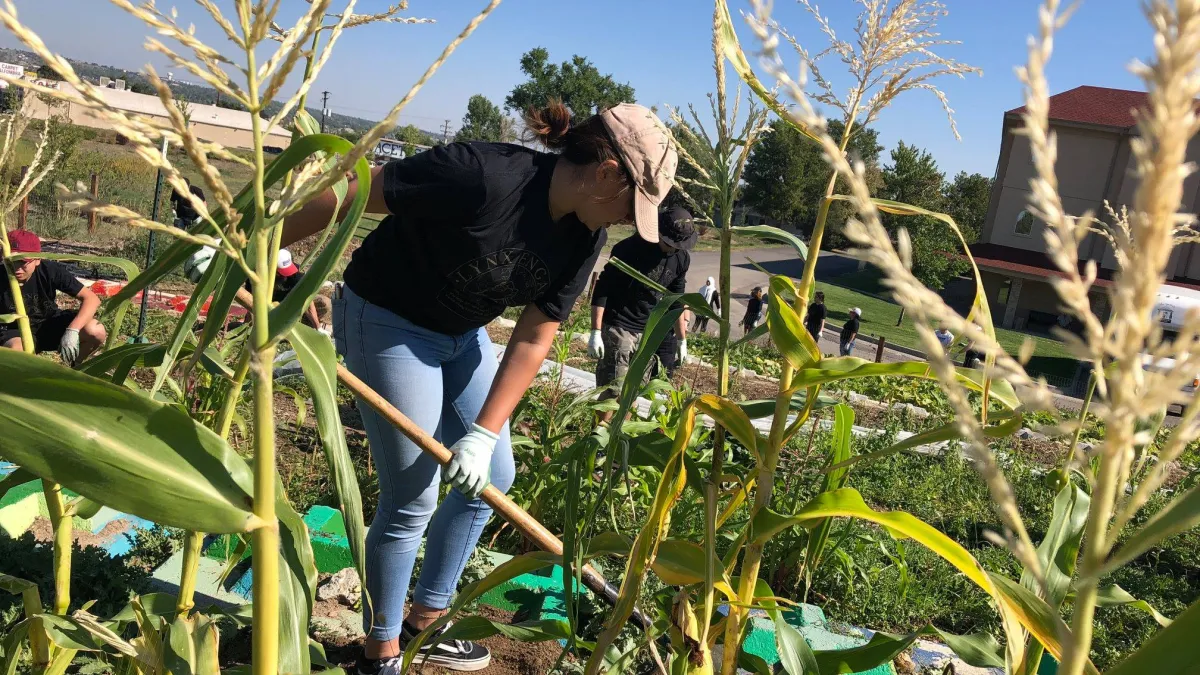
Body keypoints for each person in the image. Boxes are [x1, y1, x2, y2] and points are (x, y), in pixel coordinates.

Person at [260, 100, 676, 673]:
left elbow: (534, 336)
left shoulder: (583, 237)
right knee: (413, 496)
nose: (631, 219)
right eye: (635, 203)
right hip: (387, 319)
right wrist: (258, 250)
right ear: (607, 173)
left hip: (461, 334)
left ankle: (426, 624)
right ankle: (380, 653)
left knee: (494, 476)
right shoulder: (481, 176)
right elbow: (356, 192)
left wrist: (482, 434)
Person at [589, 207, 695, 408]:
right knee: (613, 389)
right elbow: (603, 287)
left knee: (634, 392)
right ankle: (598, 436)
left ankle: (621, 436)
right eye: (670, 243)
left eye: (679, 245)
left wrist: (682, 340)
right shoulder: (629, 249)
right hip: (620, 324)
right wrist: (595, 331)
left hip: (648, 331)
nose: (673, 249)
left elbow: (676, 300)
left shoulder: (681, 258)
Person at [1, 230, 106, 364]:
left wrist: (72, 330)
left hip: (48, 323)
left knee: (95, 330)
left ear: (37, 259)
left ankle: (73, 369)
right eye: (10, 261)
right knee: (18, 351)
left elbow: (91, 299)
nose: (16, 268)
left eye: (22, 261)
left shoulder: (50, 270)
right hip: (13, 331)